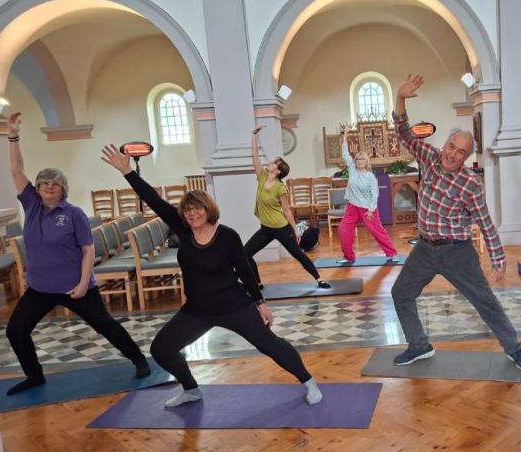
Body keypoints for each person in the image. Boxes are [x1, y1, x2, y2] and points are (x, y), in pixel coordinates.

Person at [101, 144, 324, 407]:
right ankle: (191, 389)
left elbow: (245, 269)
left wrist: (260, 302)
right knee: (161, 349)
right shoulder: (184, 232)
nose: (192, 213)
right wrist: (128, 172)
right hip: (197, 310)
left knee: (270, 345)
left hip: (235, 306)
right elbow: (155, 200)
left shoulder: (227, 235)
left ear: (208, 210)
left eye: (198, 208)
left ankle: (309, 382)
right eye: (187, 210)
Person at [389, 74, 521, 370]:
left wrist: (498, 258)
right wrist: (400, 97)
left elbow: (485, 221)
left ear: (467, 157)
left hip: (458, 253)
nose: (452, 154)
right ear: (444, 144)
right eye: (451, 146)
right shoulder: (429, 158)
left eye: (461, 152)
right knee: (400, 293)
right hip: (425, 250)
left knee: (485, 301)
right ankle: (419, 345)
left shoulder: (470, 183)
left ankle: (514, 348)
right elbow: (404, 132)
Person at [4, 112, 149, 395]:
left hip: (76, 287)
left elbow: (88, 249)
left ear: (62, 189)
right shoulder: (31, 206)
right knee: (15, 331)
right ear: (37, 188)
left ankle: (139, 359)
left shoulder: (74, 214)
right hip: (40, 289)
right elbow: (16, 171)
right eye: (44, 182)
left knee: (104, 326)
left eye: (54, 183)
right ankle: (34, 376)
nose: (48, 186)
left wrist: (84, 283)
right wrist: (13, 135)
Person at [244, 127, 330, 289]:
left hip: (281, 228)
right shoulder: (262, 176)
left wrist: (295, 229)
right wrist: (253, 135)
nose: (271, 163)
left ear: (278, 171)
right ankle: (258, 283)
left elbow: (286, 209)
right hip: (265, 228)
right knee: (246, 253)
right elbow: (255, 156)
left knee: (297, 254)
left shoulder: (280, 188)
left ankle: (319, 279)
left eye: (274, 163)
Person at [336, 124, 398, 264]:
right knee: (343, 230)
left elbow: (374, 194)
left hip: (367, 209)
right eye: (357, 159)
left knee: (377, 231)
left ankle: (391, 253)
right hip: (352, 207)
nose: (359, 161)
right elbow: (345, 154)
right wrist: (345, 136)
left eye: (362, 159)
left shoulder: (370, 176)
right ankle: (348, 257)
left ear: (366, 162)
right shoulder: (352, 169)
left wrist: (371, 210)